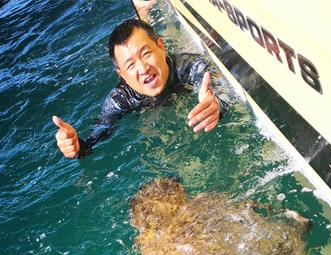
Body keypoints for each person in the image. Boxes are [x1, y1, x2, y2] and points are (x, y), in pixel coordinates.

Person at [53, 19, 229, 159]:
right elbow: (96, 138)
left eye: (146, 54)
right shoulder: (121, 98)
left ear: (161, 47)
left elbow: (219, 87)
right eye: (130, 65)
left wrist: (217, 104)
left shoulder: (188, 66)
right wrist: (77, 149)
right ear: (121, 74)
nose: (143, 69)